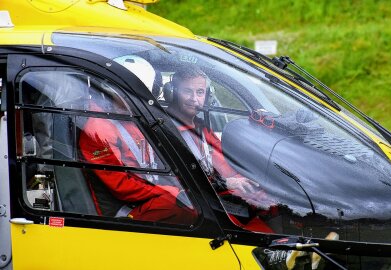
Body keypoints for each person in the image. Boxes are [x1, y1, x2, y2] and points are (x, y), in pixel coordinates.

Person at [166, 65, 274, 233]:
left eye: (200, 92)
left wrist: (253, 186)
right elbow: (180, 183)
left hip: (211, 196)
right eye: (187, 91)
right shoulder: (165, 130)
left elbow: (225, 168)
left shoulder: (202, 130)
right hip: (190, 206)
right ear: (172, 93)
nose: (194, 99)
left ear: (207, 96)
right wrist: (227, 183)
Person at [79, 75, 197, 225]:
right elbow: (121, 186)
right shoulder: (98, 129)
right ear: (109, 93)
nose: (133, 102)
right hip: (126, 210)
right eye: (125, 96)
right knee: (191, 206)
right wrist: (170, 192)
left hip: (151, 195)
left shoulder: (135, 119)